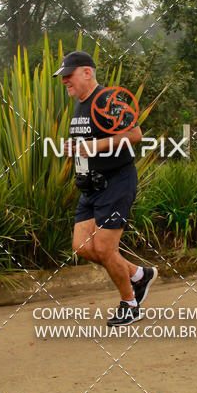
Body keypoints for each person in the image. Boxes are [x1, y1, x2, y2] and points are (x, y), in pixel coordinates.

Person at [53, 51, 157, 326]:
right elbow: (88, 141)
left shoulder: (108, 100)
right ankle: (137, 274)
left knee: (104, 249)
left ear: (87, 72)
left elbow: (135, 135)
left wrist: (93, 147)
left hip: (116, 183)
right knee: (82, 247)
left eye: (69, 74)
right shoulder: (79, 104)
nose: (64, 80)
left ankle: (130, 304)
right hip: (91, 186)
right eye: (62, 76)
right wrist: (73, 149)